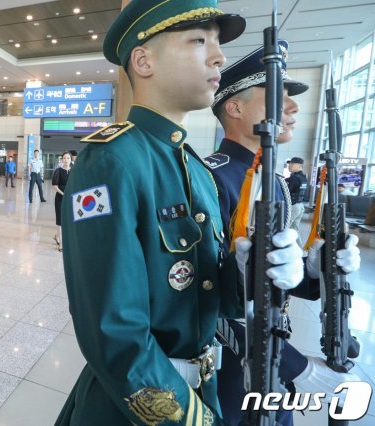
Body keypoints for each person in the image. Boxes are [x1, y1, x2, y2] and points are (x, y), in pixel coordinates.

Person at [56, 2, 304, 424]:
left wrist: (256, 269)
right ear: (144, 59)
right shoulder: (111, 160)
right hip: (141, 405)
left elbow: (208, 295)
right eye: (198, 40)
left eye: (216, 42)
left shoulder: (195, 168)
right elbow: (114, 333)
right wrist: (193, 419)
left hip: (203, 386)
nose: (219, 56)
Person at [206, 40, 361, 425]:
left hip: (271, 351)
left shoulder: (269, 178)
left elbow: (270, 276)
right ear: (235, 108)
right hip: (233, 369)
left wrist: (314, 274)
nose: (292, 107)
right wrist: (295, 367)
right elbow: (206, 299)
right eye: (277, 96)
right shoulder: (212, 178)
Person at [51, 151, 71, 252]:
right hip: (60, 198)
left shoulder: (73, 171)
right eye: (64, 158)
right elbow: (54, 185)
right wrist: (63, 194)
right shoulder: (58, 171)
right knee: (60, 221)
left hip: (70, 199)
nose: (66, 160)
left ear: (71, 160)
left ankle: (57, 236)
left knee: (67, 220)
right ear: (62, 160)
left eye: (68, 158)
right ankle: (61, 245)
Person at [286, 156, 308, 245]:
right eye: (289, 163)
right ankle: (300, 251)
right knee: (295, 230)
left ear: (299, 165)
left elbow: (286, 192)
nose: (289, 165)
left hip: (293, 206)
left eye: (292, 163)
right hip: (300, 206)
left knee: (284, 228)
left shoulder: (293, 178)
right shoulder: (303, 178)